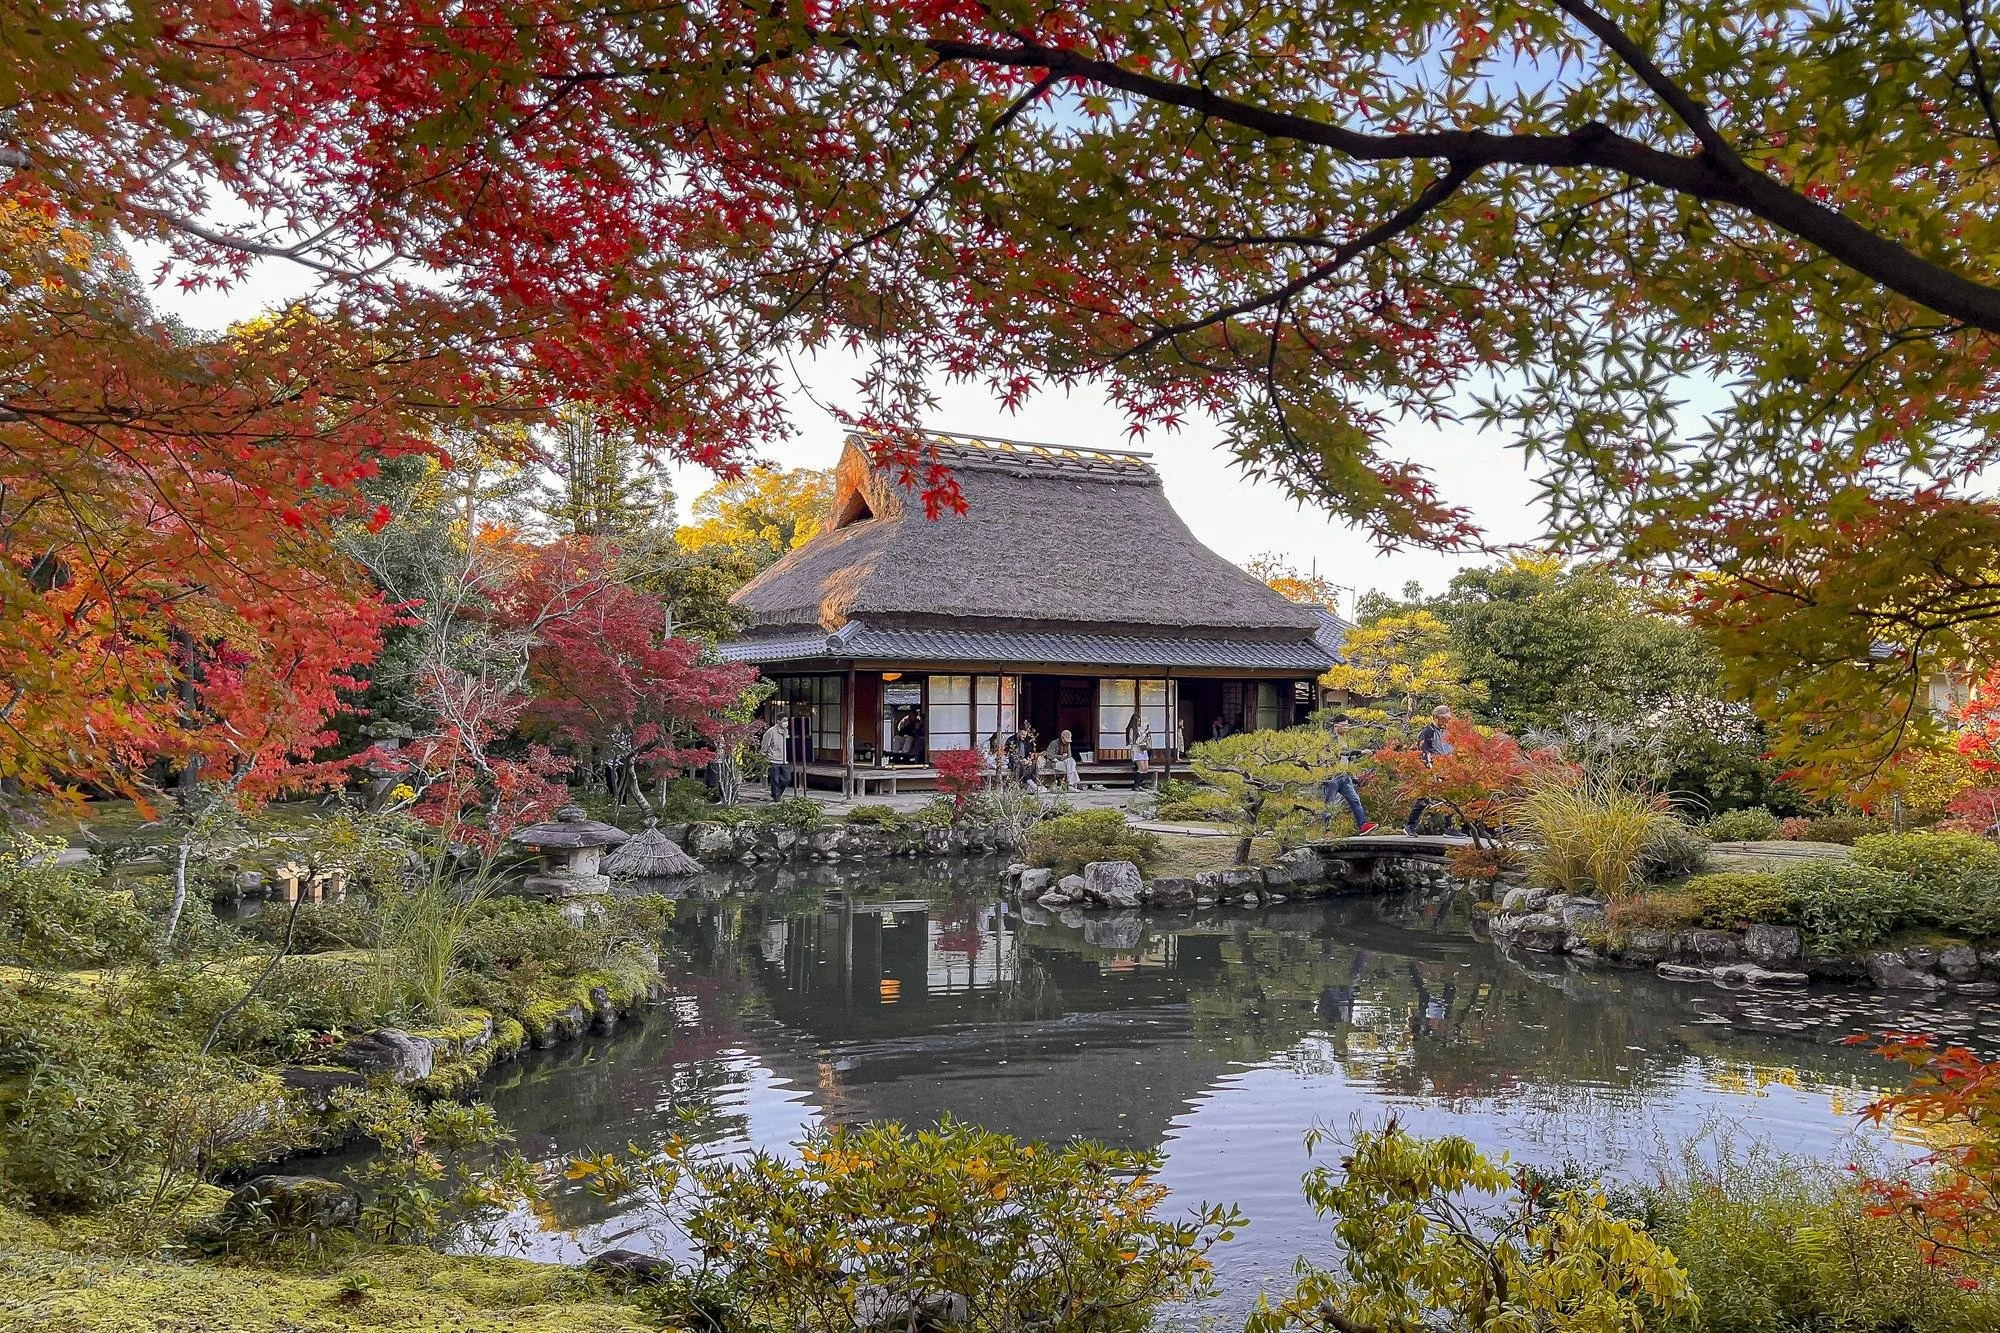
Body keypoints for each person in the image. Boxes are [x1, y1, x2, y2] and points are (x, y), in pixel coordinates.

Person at [1319, 717, 1378, 835]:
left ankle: (1363, 825)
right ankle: (1325, 830)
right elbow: (1342, 752)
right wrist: (1360, 751)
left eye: (1347, 725)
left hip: (1345, 776)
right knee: (1329, 803)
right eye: (1343, 725)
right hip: (1332, 775)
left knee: (1355, 800)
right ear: (1336, 726)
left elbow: (1348, 758)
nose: (1346, 728)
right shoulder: (1330, 739)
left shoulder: (1346, 739)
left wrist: (1354, 776)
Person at [1403, 704, 1456, 835]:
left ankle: (1449, 827)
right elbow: (1424, 751)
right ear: (1437, 717)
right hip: (1432, 766)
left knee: (1451, 796)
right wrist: (1430, 770)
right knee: (1425, 797)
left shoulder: (1447, 732)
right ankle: (1409, 825)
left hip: (1446, 766)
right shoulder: (1427, 731)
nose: (1447, 721)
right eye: (1444, 718)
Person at [759, 710, 791, 802]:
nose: (786, 723)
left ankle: (777, 794)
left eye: (787, 720)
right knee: (775, 781)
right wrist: (763, 757)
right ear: (778, 721)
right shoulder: (771, 732)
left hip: (784, 759)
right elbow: (765, 745)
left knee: (787, 779)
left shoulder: (786, 731)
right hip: (773, 760)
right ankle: (776, 797)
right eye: (784, 720)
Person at [1005, 722, 1039, 789]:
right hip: (1014, 761)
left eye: (1025, 735)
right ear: (1018, 732)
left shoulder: (1028, 740)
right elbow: (1010, 754)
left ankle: (1032, 783)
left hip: (1025, 760)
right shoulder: (1011, 740)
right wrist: (1020, 760)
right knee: (1020, 765)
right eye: (1022, 734)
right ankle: (1029, 783)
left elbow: (1030, 752)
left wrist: (1029, 759)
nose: (1024, 736)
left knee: (1034, 765)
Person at [1126, 709, 1154, 788]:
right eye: (1137, 721)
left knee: (1146, 768)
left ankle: (1140, 783)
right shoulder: (1131, 730)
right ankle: (1136, 785)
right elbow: (1133, 742)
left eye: (1139, 721)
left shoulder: (1140, 729)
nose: (1139, 723)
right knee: (1141, 768)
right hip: (1137, 749)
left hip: (1143, 749)